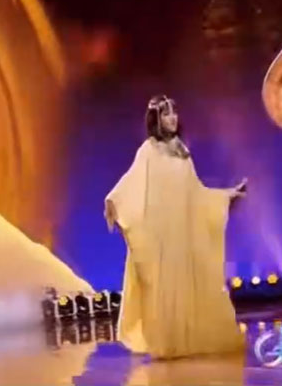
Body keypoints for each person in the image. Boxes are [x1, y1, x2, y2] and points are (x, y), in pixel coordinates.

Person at [104, 95, 246, 359]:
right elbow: (132, 180)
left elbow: (197, 193)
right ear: (156, 119)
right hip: (161, 237)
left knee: (187, 285)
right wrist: (114, 201)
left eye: (174, 113)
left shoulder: (182, 153)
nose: (172, 118)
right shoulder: (148, 151)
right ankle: (168, 342)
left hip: (182, 235)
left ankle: (188, 340)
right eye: (166, 114)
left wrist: (227, 196)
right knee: (164, 288)